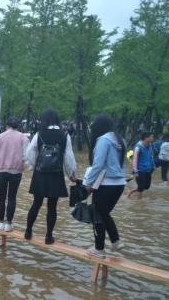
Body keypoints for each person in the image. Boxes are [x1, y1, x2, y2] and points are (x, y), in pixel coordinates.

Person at [25, 109, 77, 245]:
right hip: (56, 174)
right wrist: (71, 174)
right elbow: (68, 157)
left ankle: (28, 231)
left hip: (40, 174)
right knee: (52, 207)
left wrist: (34, 166)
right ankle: (48, 236)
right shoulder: (65, 135)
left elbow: (29, 153)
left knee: (36, 203)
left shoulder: (39, 134)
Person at [83, 114, 127, 258]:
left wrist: (87, 183)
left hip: (106, 184)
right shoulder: (121, 140)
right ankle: (115, 241)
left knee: (97, 215)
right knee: (103, 214)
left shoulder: (103, 140)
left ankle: (99, 249)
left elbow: (98, 165)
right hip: (119, 184)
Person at [0, 116, 29, 232]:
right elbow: (26, 156)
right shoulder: (23, 137)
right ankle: (9, 223)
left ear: (7, 125)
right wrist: (25, 167)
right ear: (18, 126)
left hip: (0, 171)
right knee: (12, 197)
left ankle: (0, 222)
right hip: (16, 171)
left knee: (1, 197)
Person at [128, 132, 156, 199]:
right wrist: (135, 171)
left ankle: (131, 192)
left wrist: (153, 165)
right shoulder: (138, 146)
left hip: (148, 169)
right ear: (146, 138)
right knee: (141, 186)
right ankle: (139, 200)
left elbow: (151, 156)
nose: (153, 138)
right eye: (151, 137)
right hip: (140, 170)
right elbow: (135, 159)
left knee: (147, 186)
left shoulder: (150, 145)